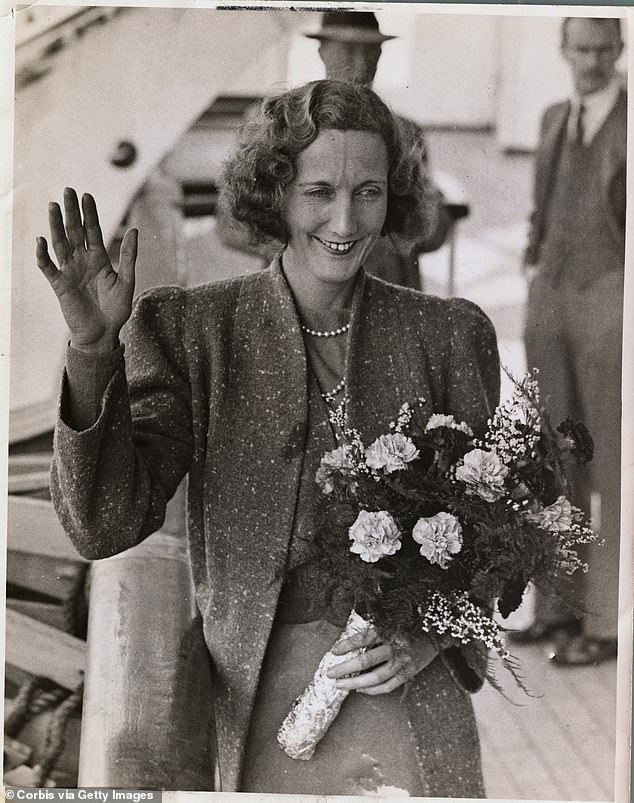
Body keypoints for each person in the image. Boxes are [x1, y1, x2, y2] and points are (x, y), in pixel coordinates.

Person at [37, 80, 499, 795]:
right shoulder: (197, 331)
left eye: (369, 191)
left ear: (394, 195)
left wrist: (430, 631)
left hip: (414, 706)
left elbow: (497, 545)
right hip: (264, 718)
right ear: (274, 194)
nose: (345, 220)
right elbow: (103, 524)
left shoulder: (449, 337)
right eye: (318, 191)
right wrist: (94, 352)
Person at [516, 17, 625, 666]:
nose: (591, 61)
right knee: (551, 457)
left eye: (603, 49)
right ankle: (553, 606)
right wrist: (534, 267)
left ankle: (604, 621)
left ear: (621, 49)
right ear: (562, 50)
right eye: (581, 49)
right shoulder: (555, 116)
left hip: (609, 299)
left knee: (608, 463)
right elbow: (542, 206)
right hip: (550, 300)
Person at [217, 11, 451, 289]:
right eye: (349, 49)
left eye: (372, 51)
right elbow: (231, 225)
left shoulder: (404, 132)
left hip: (383, 290)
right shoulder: (277, 124)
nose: (362, 62)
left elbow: (431, 230)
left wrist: (369, 242)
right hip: (297, 292)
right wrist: (309, 242)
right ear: (322, 51)